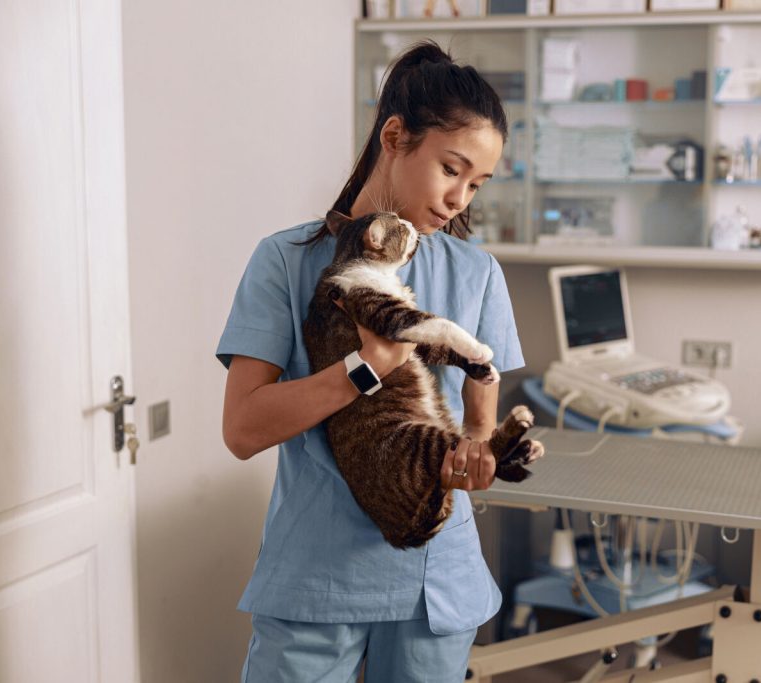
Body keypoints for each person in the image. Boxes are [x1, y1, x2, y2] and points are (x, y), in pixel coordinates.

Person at [217, 41, 533, 682]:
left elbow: (478, 427)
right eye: (451, 169)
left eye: (476, 184)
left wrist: (479, 460)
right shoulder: (285, 261)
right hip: (317, 579)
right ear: (394, 137)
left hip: (433, 582)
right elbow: (243, 430)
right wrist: (365, 366)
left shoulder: (476, 274)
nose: (460, 199)